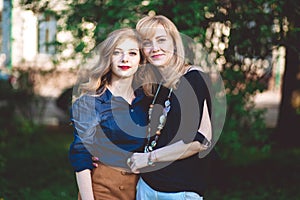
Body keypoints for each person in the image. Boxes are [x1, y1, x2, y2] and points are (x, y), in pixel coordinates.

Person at [126, 15, 220, 200]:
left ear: (174, 44)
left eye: (161, 40)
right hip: (147, 186)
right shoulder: (157, 85)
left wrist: (149, 158)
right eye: (147, 43)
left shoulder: (194, 78)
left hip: (179, 190)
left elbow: (201, 140)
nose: (155, 48)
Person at [68, 28, 152, 200]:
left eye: (132, 53)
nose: (125, 59)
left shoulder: (147, 100)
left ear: (141, 60)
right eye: (117, 53)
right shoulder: (91, 102)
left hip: (141, 190)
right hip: (103, 189)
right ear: (108, 58)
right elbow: (81, 155)